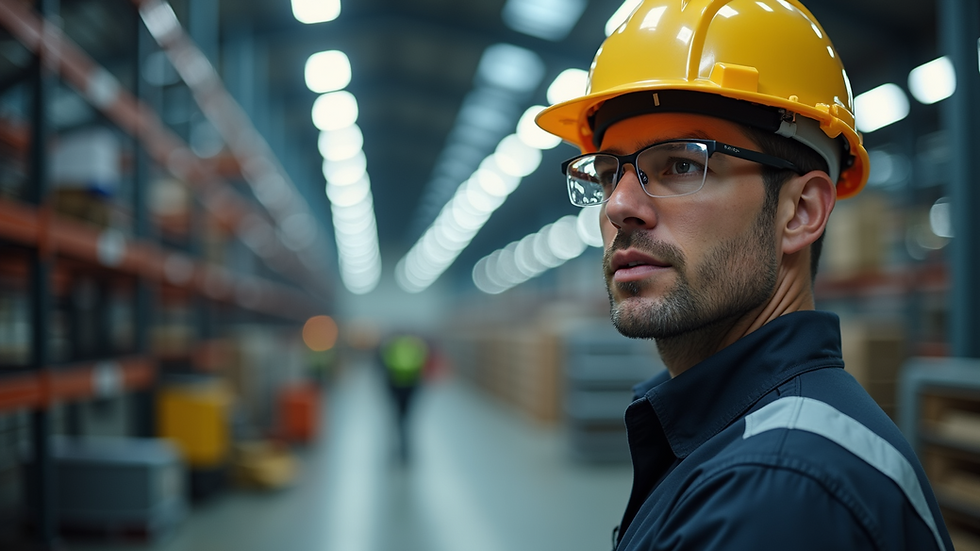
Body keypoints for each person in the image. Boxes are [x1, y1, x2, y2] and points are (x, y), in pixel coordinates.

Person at [535, 1, 953, 550]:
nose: (619, 207)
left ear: (800, 213)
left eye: (682, 163)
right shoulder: (733, 440)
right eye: (610, 173)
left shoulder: (779, 492)